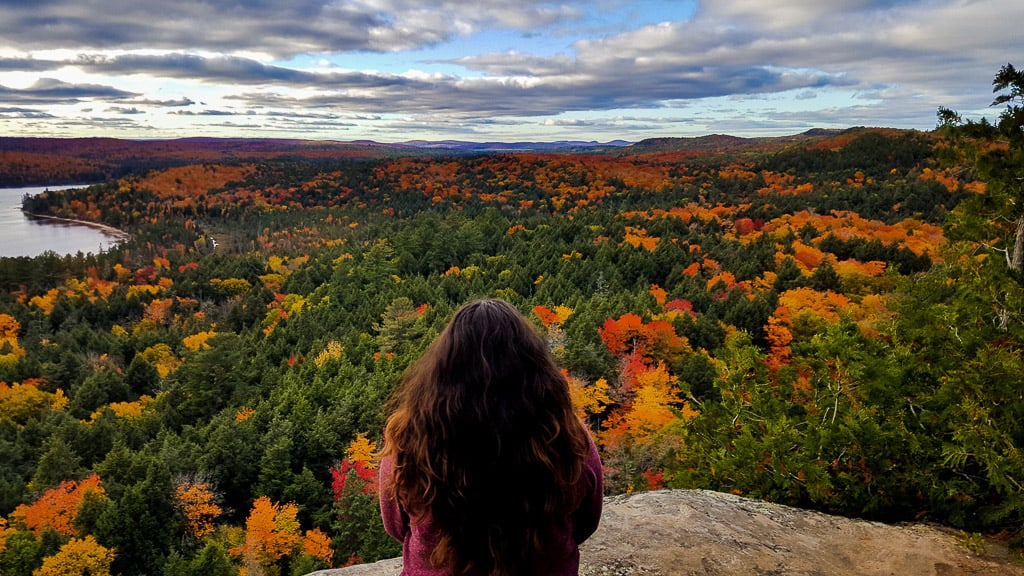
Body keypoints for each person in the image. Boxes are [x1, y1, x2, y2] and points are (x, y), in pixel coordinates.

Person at [379, 298, 603, 576]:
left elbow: (396, 526)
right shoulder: (567, 435)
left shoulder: (410, 439)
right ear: (533, 366)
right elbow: (586, 521)